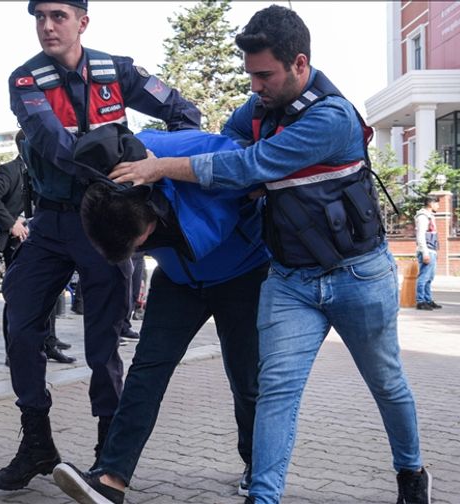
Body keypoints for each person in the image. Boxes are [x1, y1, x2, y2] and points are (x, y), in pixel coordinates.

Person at [108, 6, 431, 504]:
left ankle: (410, 472)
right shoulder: (259, 106)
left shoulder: (331, 117)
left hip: (357, 276)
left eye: (264, 75)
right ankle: (263, 495)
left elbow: (254, 162)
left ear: (300, 64)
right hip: (289, 280)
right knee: (275, 391)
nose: (255, 86)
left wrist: (164, 167)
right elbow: (230, 141)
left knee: (386, 383)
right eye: (250, 75)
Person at [0, 0, 201, 492]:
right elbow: (55, 146)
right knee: (20, 325)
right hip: (51, 222)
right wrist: (119, 156)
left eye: (58, 16)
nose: (47, 26)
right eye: (40, 17)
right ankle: (37, 443)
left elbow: (183, 110)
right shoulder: (26, 80)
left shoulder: (117, 71)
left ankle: (108, 460)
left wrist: (161, 164)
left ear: (82, 22)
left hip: (104, 226)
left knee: (103, 344)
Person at [52, 128, 269, 504]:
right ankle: (111, 479)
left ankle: (258, 466)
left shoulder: (188, 151)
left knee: (245, 376)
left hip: (242, 273)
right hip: (180, 279)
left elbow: (260, 170)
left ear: (151, 204)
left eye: (145, 241)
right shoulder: (105, 187)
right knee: (147, 371)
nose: (146, 247)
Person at [0, 130, 75, 365]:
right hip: (17, 241)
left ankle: (48, 343)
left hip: (44, 238)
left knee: (50, 292)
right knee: (17, 295)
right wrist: (11, 222)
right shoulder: (11, 169)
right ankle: (13, 350)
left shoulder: (43, 169)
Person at [414, 196, 441, 310]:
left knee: (429, 277)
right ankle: (421, 301)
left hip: (431, 250)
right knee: (424, 277)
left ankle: (428, 299)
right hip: (426, 250)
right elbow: (421, 236)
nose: (438, 206)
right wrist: (425, 252)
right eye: (437, 203)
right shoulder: (423, 217)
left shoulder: (430, 216)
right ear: (431, 203)